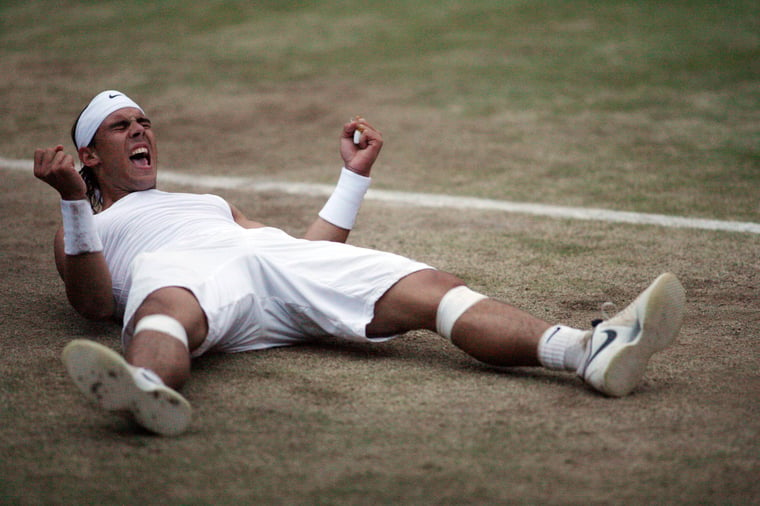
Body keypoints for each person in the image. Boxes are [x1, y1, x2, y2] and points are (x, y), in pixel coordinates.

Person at [34, 90, 685, 436]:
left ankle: (583, 350)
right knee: (166, 308)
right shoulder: (87, 222)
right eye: (122, 127)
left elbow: (307, 253)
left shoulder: (209, 202)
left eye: (144, 121)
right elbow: (92, 301)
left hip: (269, 262)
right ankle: (149, 388)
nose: (142, 130)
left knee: (433, 287)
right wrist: (71, 202)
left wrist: (351, 180)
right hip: (186, 278)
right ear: (88, 156)